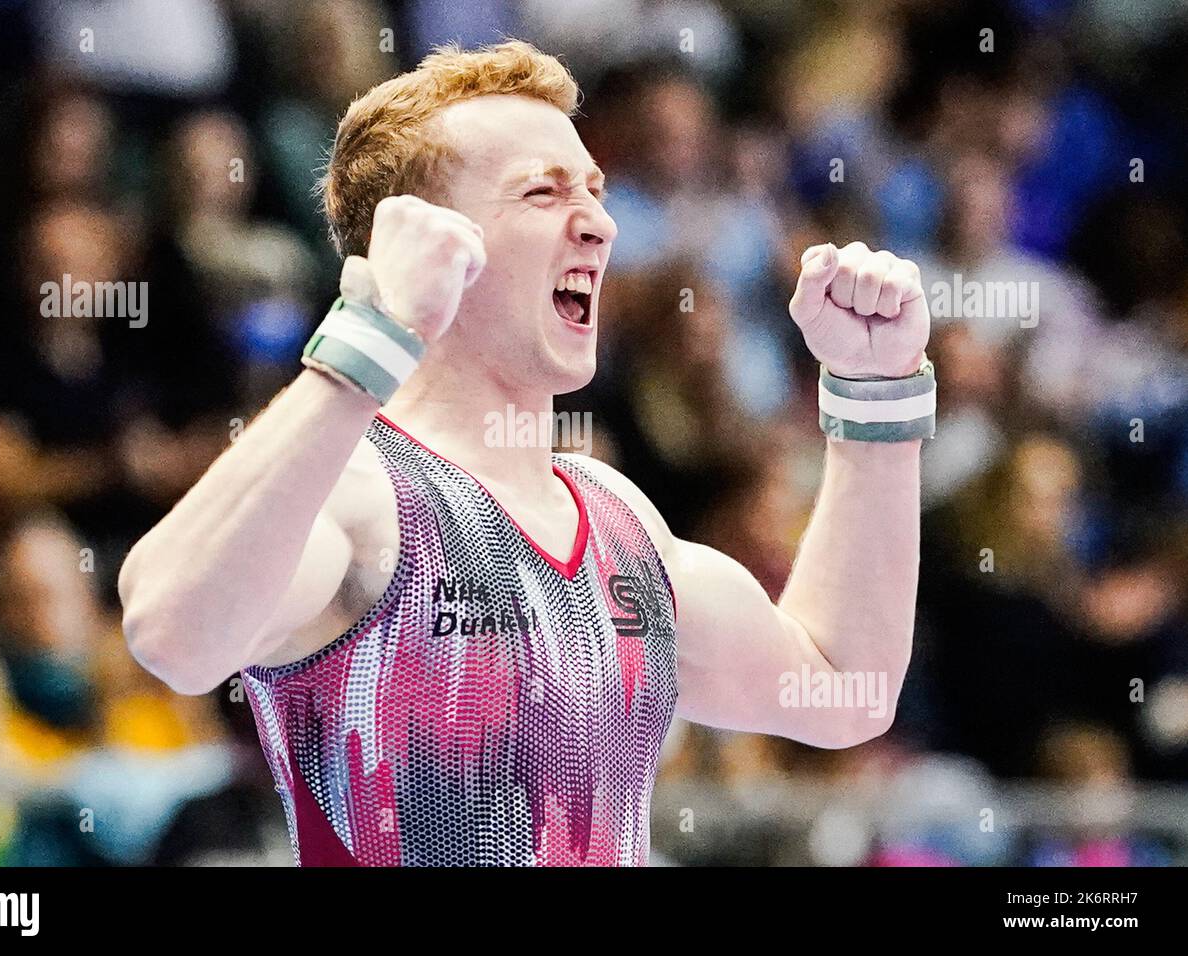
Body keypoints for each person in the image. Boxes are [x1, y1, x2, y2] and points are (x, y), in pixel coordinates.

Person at [118, 40, 934, 866]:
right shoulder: (361, 493)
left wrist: (875, 394)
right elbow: (171, 632)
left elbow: (841, 687)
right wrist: (370, 336)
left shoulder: (620, 524)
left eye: (595, 191)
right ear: (418, 238)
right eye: (542, 192)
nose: (601, 223)